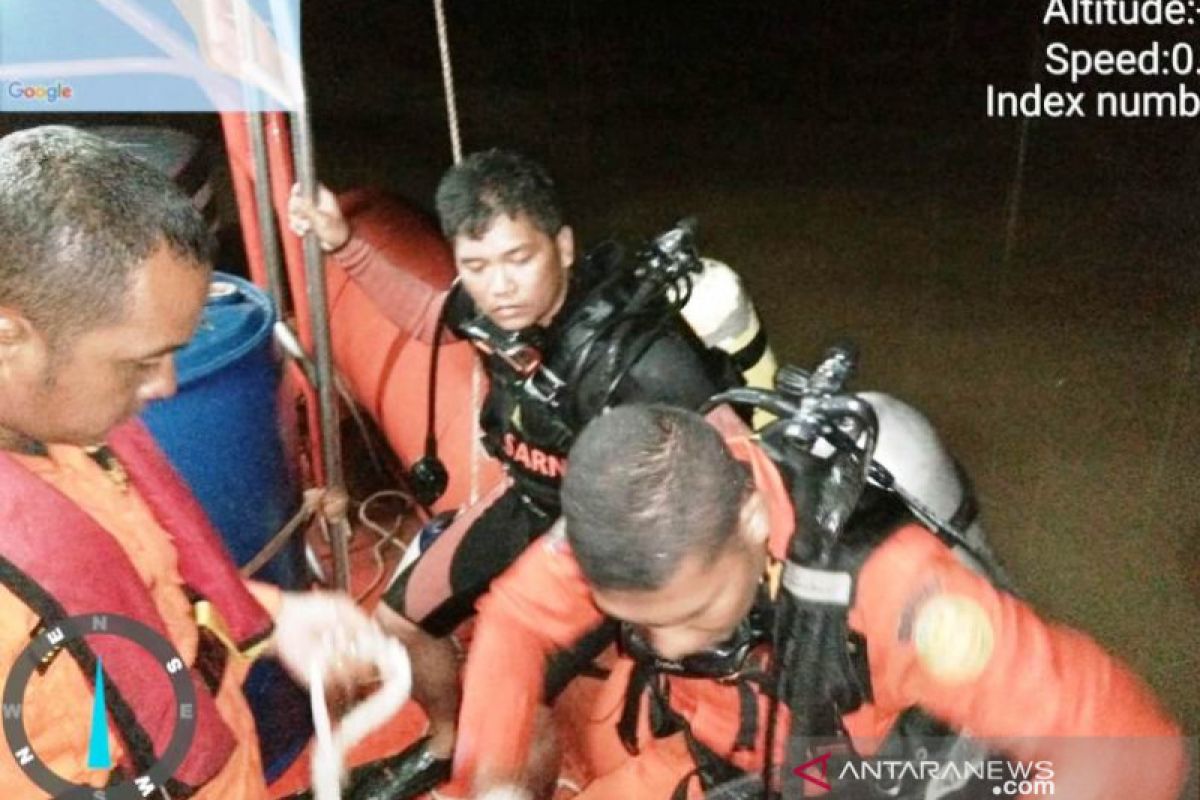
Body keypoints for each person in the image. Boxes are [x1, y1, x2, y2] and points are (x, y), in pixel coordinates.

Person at [287, 149, 759, 797]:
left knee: (513, 691)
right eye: (476, 266)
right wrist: (343, 243)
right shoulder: (488, 307)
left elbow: (735, 470)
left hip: (608, 542)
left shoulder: (642, 359)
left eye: (519, 259)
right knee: (398, 623)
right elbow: (429, 316)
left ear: (562, 247)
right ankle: (448, 739)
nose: (500, 286)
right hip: (531, 499)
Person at [451, 402, 1187, 800]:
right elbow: (517, 619)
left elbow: (1133, 749)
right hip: (743, 762)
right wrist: (490, 776)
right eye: (638, 625)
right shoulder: (633, 538)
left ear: (755, 520)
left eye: (691, 615)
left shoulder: (900, 595)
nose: (668, 650)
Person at [0, 125, 384, 798]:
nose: (167, 385)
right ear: (9, 334)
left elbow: (138, 596)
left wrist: (274, 616)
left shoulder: (62, 424)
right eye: (140, 362)